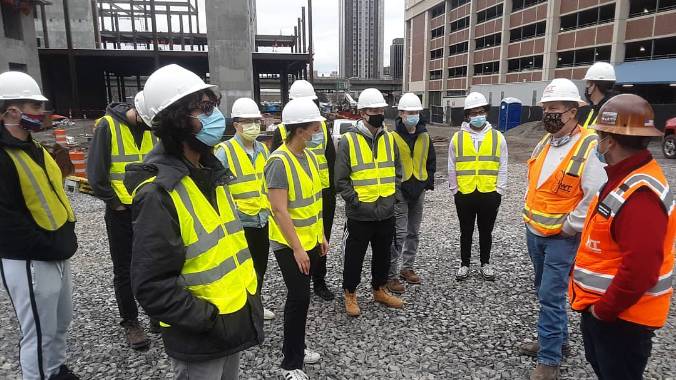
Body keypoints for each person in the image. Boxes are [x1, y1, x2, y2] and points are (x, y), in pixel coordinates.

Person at [125, 64, 263, 380]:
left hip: (229, 324)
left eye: (212, 106)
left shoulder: (211, 174)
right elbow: (151, 286)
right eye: (203, 108)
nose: (215, 116)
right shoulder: (158, 193)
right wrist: (206, 319)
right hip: (200, 337)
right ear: (176, 121)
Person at [569, 94, 674, 380]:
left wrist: (604, 311)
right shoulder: (625, 178)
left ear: (611, 141)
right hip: (610, 313)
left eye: (600, 135)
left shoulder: (640, 196)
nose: (597, 143)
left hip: (622, 319)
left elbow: (640, 269)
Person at [519, 78, 607, 380]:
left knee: (550, 295)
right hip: (536, 231)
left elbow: (595, 193)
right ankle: (557, 342)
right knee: (545, 292)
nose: (548, 114)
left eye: (553, 108)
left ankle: (549, 360)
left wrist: (571, 226)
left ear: (572, 111)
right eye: (545, 108)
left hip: (561, 237)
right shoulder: (546, 141)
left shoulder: (589, 145)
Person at [0, 71, 79, 380]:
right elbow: (7, 220)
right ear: (10, 111)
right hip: (29, 259)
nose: (41, 112)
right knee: (38, 331)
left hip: (55, 252)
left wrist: (63, 241)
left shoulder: (36, 149)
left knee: (60, 322)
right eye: (33, 105)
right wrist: (46, 245)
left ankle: (55, 369)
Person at [87, 91, 158, 349]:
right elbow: (95, 172)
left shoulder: (151, 127)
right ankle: (131, 322)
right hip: (121, 212)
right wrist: (114, 202)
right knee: (125, 268)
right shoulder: (107, 125)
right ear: (138, 111)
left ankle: (155, 313)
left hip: (149, 209)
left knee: (154, 263)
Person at [265, 98, 328, 380]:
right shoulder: (278, 162)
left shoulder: (311, 157)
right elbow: (279, 210)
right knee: (299, 298)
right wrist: (298, 248)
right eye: (315, 128)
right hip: (290, 244)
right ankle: (291, 364)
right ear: (300, 130)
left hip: (310, 239)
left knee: (302, 299)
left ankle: (298, 348)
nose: (319, 133)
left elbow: (314, 202)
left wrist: (322, 235)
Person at [336, 87, 404, 317]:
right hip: (360, 213)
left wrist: (393, 196)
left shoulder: (389, 139)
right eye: (373, 110)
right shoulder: (347, 141)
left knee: (383, 255)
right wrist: (355, 202)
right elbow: (341, 179)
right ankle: (350, 293)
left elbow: (397, 170)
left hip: (385, 211)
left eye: (380, 109)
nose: (378, 113)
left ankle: (379, 289)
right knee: (354, 257)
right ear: (362, 112)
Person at [271, 80, 336, 301]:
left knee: (320, 242)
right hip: (293, 202)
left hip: (319, 193)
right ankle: (303, 279)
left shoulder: (320, 129)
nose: (317, 130)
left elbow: (331, 160)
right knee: (299, 294)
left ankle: (319, 280)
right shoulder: (282, 135)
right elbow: (277, 182)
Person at [214, 97, 275, 321]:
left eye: (256, 121)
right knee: (239, 270)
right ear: (236, 124)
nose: (253, 126)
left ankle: (255, 304)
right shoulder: (224, 152)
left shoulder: (263, 150)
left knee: (259, 267)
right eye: (247, 121)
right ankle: (241, 311)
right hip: (238, 224)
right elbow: (218, 192)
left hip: (261, 219)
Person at [448, 92, 507, 281]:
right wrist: (454, 189)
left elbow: (503, 165)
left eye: (481, 112)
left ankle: (485, 263)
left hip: (489, 192)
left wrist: (500, 190)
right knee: (465, 231)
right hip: (464, 193)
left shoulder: (498, 138)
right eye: (473, 113)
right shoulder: (457, 138)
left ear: (486, 113)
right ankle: (464, 264)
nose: (477, 116)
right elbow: (451, 165)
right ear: (467, 116)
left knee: (486, 231)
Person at [386, 92, 436, 294]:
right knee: (398, 235)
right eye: (409, 112)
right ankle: (391, 275)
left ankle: (407, 268)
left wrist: (427, 182)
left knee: (413, 232)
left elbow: (430, 161)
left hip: (418, 191)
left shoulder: (424, 135)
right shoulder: (392, 137)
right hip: (400, 192)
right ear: (401, 113)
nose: (413, 115)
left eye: (416, 112)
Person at [580, 62, 616, 129]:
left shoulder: (608, 113)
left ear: (593, 85)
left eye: (587, 83)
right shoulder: (593, 109)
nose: (586, 87)